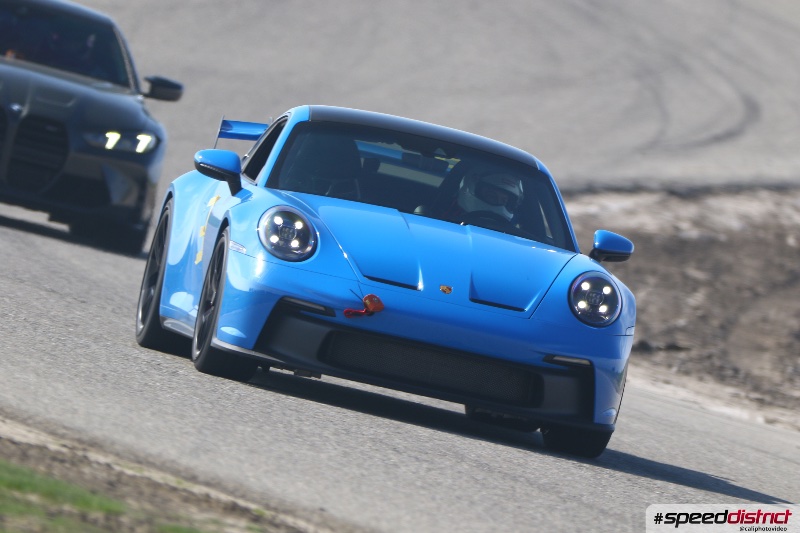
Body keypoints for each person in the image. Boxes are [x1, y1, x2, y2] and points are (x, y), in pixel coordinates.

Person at [455, 171, 524, 222]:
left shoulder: (512, 231)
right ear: (476, 191)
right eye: (492, 197)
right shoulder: (451, 214)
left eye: (504, 201)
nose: (498, 202)